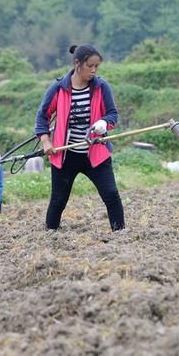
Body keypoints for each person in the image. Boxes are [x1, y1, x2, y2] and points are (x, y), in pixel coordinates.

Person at [34, 44, 125, 231]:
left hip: (96, 151)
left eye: (96, 67)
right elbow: (42, 115)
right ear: (77, 63)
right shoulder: (59, 88)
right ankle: (50, 235)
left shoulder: (101, 87)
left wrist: (103, 124)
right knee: (58, 200)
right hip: (66, 154)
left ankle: (120, 234)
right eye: (89, 66)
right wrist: (46, 141)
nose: (93, 70)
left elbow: (112, 114)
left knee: (111, 194)